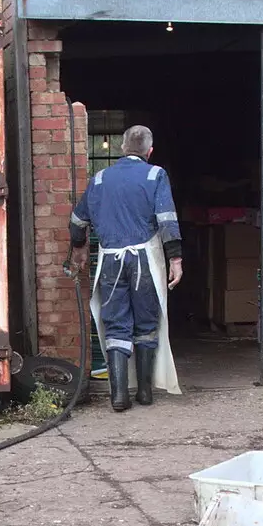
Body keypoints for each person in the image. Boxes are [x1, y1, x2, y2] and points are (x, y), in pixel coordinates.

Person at [69, 125, 184, 412]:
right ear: (150, 151)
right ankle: (144, 392)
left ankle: (119, 395)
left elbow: (77, 220)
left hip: (110, 260)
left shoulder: (99, 179)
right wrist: (176, 259)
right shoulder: (155, 175)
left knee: (116, 323)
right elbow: (167, 220)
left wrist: (80, 248)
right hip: (145, 259)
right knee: (146, 323)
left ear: (121, 148)